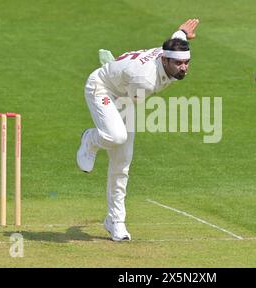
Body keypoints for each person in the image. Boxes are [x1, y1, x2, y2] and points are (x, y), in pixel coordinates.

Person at [77, 19, 200, 241]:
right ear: (164, 59)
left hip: (124, 89)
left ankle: (115, 221)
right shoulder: (145, 80)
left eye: (187, 63)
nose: (184, 68)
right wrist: (114, 70)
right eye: (179, 64)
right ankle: (91, 139)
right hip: (102, 88)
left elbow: (178, 38)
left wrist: (182, 31)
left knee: (122, 162)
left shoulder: (171, 51)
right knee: (115, 136)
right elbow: (127, 101)